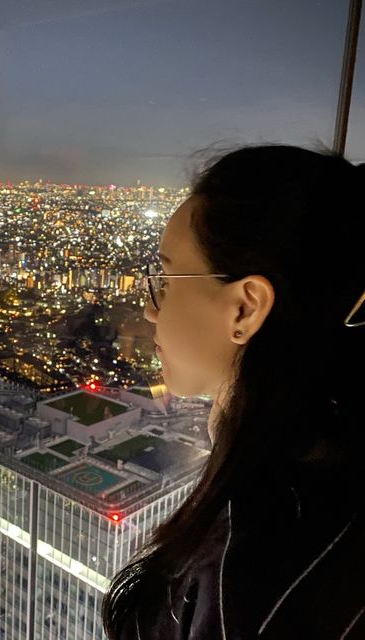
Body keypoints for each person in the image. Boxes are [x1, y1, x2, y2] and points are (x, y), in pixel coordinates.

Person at [101, 145, 365, 639]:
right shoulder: (325, 463)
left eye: (167, 278)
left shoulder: (252, 566)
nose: (152, 309)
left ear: (246, 308)